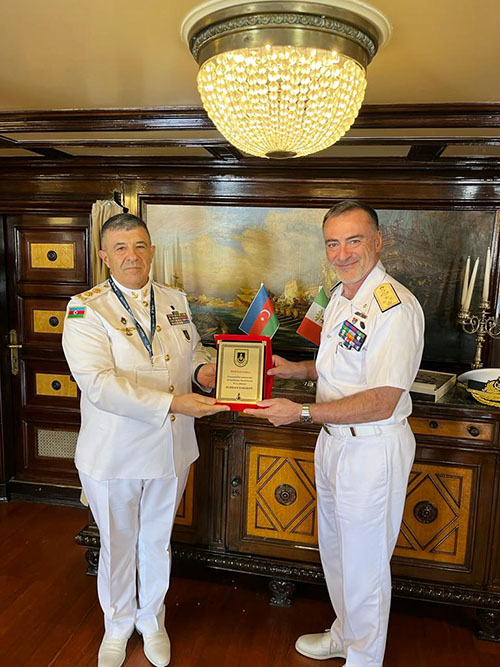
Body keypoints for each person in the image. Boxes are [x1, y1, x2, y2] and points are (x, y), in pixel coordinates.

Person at [245, 200, 424, 667]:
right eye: (333, 243)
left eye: (354, 241)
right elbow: (340, 367)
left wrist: (302, 412)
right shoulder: (342, 296)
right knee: (338, 554)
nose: (342, 254)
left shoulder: (394, 307)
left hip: (371, 448)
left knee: (365, 564)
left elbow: (382, 399)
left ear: (378, 242)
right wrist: (296, 369)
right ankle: (346, 634)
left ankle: (365, 658)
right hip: (334, 442)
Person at [62, 213, 229, 667]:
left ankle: (152, 620)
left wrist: (203, 371)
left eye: (139, 246)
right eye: (120, 248)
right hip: (114, 451)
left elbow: (189, 352)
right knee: (117, 544)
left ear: (152, 250)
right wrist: (176, 401)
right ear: (104, 256)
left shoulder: (174, 299)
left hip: (171, 447)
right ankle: (117, 625)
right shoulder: (85, 309)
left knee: (157, 540)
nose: (131, 256)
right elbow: (99, 385)